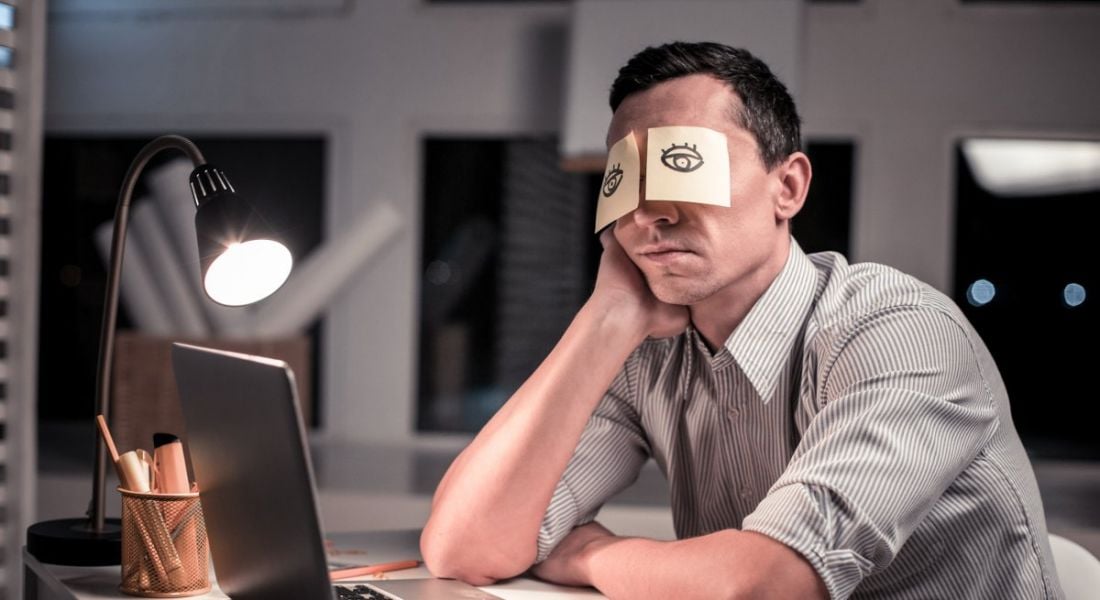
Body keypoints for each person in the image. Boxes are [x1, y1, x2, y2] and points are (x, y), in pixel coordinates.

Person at [420, 41, 1063, 599]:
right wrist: (605, 316)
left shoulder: (899, 331)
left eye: (683, 163)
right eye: (625, 179)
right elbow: (461, 548)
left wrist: (590, 554)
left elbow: (768, 585)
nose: (649, 212)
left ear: (788, 188)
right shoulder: (649, 354)